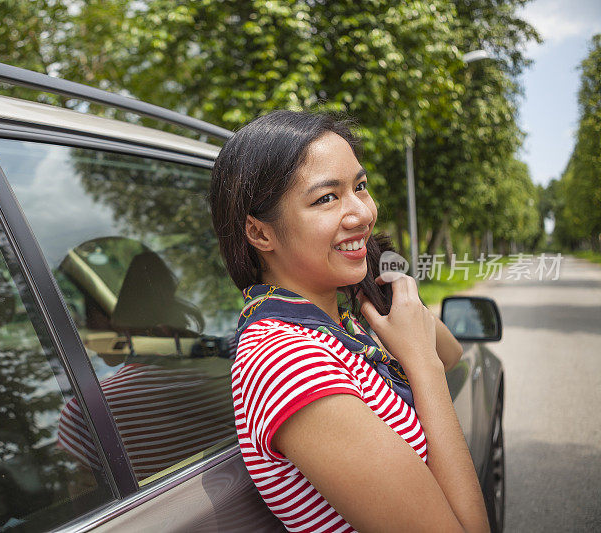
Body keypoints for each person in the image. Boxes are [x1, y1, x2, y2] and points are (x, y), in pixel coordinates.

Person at [207, 110, 490, 532]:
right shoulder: (285, 360)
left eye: (360, 187)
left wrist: (382, 282)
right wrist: (420, 363)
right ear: (260, 233)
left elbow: (449, 353)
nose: (362, 212)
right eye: (327, 198)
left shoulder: (339, 322)